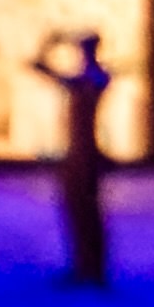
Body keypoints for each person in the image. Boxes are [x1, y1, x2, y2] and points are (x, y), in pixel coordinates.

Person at [29, 27, 114, 286]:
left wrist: (51, 44)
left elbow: (48, 72)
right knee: (76, 210)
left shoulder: (95, 78)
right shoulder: (84, 79)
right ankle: (82, 265)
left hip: (86, 154)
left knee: (87, 211)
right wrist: (48, 43)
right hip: (76, 153)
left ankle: (93, 269)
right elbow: (40, 67)